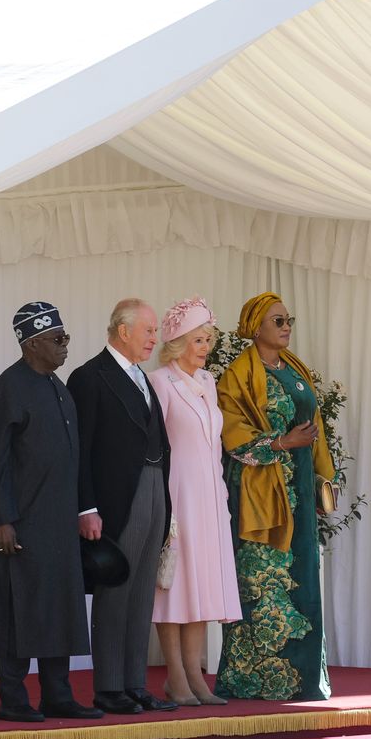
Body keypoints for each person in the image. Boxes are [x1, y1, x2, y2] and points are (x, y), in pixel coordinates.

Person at [0, 302, 100, 723]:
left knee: (58, 607)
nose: (65, 346)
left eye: (66, 337)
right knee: (18, 608)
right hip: (21, 521)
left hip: (59, 522)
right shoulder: (9, 387)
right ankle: (13, 701)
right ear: (32, 344)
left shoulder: (58, 387)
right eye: (57, 339)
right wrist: (2, 518)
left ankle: (57, 696)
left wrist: (84, 510)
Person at [214, 293, 336, 701]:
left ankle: (302, 681)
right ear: (256, 327)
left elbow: (315, 428)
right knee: (261, 584)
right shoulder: (238, 376)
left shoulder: (295, 371)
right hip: (261, 496)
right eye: (278, 320)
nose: (286, 327)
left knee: (302, 582)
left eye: (289, 320)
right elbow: (234, 442)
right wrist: (283, 443)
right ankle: (253, 681)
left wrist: (324, 482)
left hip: (299, 492)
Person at [67, 299, 177, 715]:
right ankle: (109, 687)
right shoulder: (89, 377)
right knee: (116, 591)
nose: (154, 338)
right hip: (116, 497)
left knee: (142, 593)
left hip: (151, 489)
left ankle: (134, 684)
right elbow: (80, 451)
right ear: (122, 330)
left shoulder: (141, 378)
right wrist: (85, 508)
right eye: (148, 330)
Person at [147, 299, 241, 707]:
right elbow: (155, 446)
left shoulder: (208, 380)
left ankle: (197, 680)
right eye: (199, 339)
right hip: (177, 492)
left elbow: (214, 442)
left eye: (208, 339)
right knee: (174, 585)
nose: (206, 346)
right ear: (178, 341)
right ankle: (176, 678)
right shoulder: (160, 382)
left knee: (200, 584)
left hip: (208, 494)